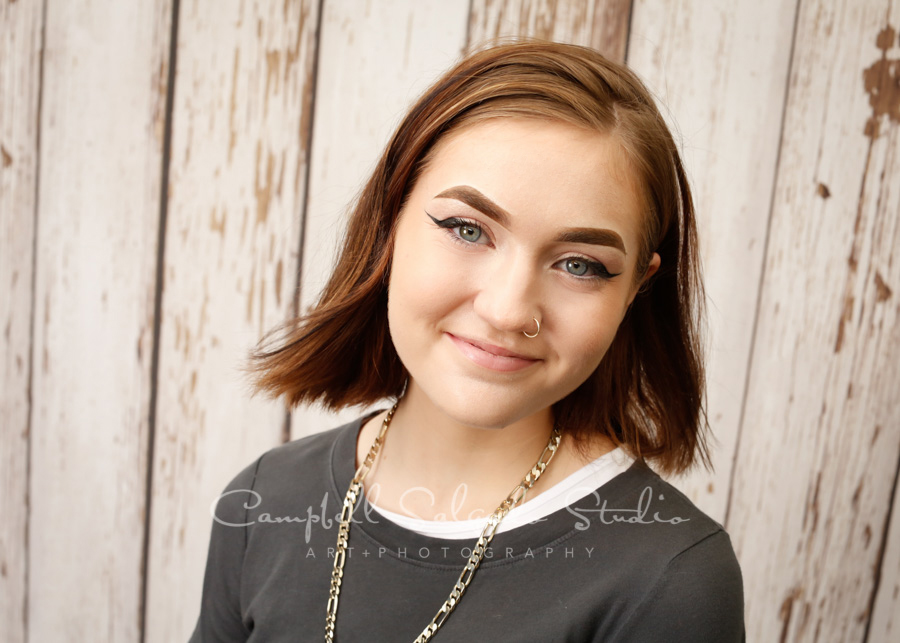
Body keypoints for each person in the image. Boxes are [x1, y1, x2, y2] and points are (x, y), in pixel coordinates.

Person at [189, 41, 745, 642]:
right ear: (390, 221)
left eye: (580, 264)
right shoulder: (261, 500)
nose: (507, 310)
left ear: (637, 285)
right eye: (467, 229)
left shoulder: (671, 578)